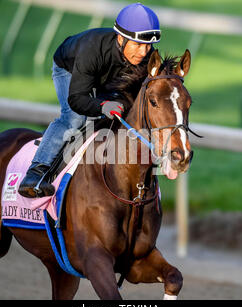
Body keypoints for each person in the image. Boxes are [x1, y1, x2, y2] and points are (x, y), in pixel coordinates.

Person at [18, 2, 161, 198]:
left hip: (108, 76)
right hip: (69, 67)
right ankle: (36, 173)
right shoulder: (92, 50)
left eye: (148, 46)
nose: (144, 53)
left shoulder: (146, 57)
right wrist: (103, 105)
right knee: (75, 119)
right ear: (121, 38)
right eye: (137, 45)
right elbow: (77, 99)